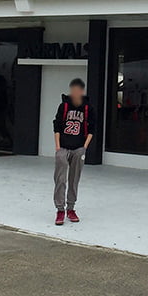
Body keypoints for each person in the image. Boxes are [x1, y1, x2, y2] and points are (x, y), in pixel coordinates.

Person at [52, 78, 93, 226]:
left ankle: (71, 208)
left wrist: (84, 147)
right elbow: (56, 126)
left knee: (74, 179)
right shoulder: (63, 106)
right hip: (63, 147)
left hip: (78, 149)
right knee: (60, 179)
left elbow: (92, 129)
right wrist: (57, 147)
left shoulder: (88, 108)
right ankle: (60, 210)